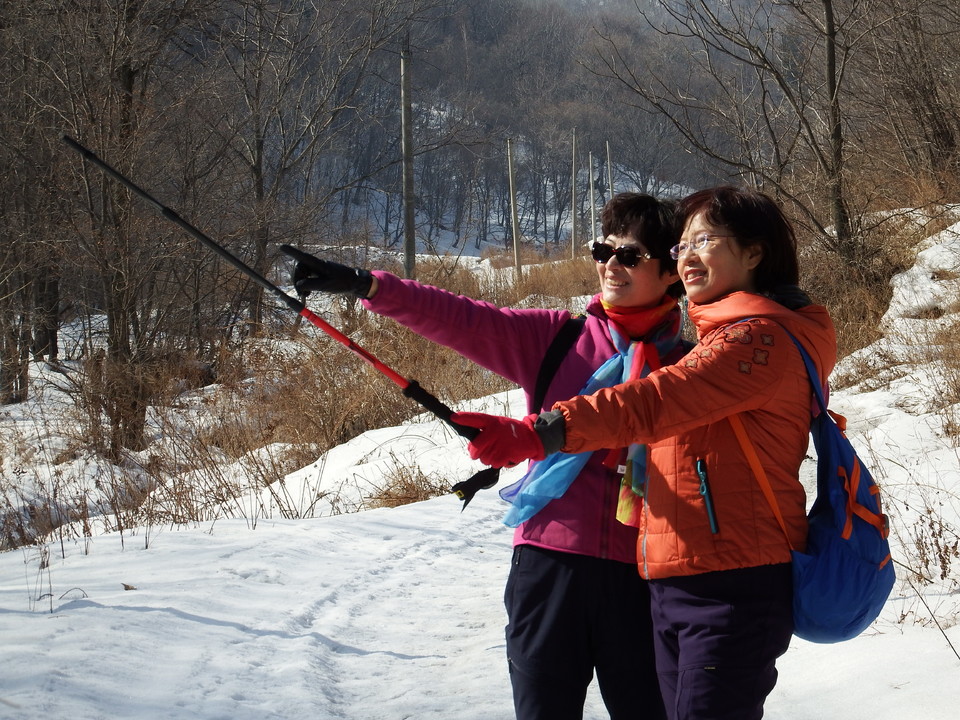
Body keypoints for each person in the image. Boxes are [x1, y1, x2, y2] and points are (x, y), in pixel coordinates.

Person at [285, 192, 684, 720]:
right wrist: (368, 285)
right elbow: (463, 319)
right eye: (601, 250)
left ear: (673, 273)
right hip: (548, 565)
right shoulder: (555, 339)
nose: (610, 265)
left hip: (646, 574)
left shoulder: (695, 366)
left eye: (629, 256)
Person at [453, 186, 838, 720]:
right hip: (677, 580)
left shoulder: (756, 341)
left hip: (732, 585)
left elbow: (656, 401)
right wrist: (367, 287)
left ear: (754, 253)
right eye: (682, 244)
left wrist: (543, 431)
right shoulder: (713, 337)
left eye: (706, 240)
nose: (688, 255)